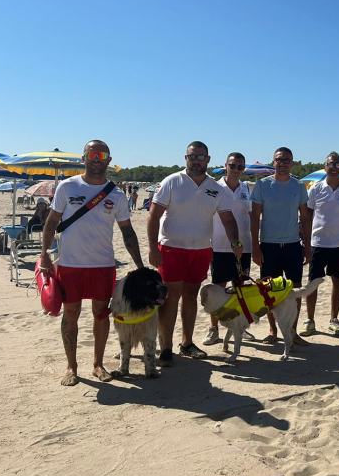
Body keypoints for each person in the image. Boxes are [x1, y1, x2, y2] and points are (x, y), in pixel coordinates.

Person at [39, 140, 145, 386]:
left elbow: (127, 232)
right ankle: (71, 366)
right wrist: (44, 253)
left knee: (100, 314)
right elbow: (52, 222)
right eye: (92, 153)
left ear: (109, 160)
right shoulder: (67, 187)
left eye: (102, 154)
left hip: (102, 265)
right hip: (70, 265)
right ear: (84, 157)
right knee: (71, 314)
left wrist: (139, 264)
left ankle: (97, 364)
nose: (97, 158)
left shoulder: (117, 195)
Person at [148, 141, 242, 365]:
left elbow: (228, 219)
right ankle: (166, 347)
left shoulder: (215, 188)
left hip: (200, 250)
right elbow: (153, 216)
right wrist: (152, 247)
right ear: (185, 158)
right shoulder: (172, 181)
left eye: (201, 157)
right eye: (192, 157)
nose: (197, 161)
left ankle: (187, 342)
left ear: (208, 160)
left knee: (191, 296)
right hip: (171, 248)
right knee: (171, 298)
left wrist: (235, 241)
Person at [251, 146, 311, 345]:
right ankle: (273, 330)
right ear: (273, 162)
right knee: (269, 291)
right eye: (279, 160)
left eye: (286, 160)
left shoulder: (299, 186)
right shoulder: (262, 185)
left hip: (293, 245)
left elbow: (305, 218)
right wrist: (255, 247)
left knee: (294, 291)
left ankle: (292, 331)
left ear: (292, 163)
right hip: (269, 245)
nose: (283, 163)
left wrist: (308, 246)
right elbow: (255, 218)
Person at [301, 151, 339, 337]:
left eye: (338, 165)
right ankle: (310, 320)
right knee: (313, 283)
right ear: (325, 167)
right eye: (331, 164)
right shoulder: (315, 188)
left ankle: (334, 319)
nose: (334, 168)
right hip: (318, 243)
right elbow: (307, 215)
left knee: (338, 281)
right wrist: (307, 241)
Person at [202, 152, 256, 346]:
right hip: (219, 246)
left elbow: (250, 216)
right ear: (225, 166)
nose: (236, 170)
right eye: (233, 166)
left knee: (241, 289)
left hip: (244, 246)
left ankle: (239, 327)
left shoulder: (247, 188)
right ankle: (213, 329)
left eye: (240, 167)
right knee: (218, 290)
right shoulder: (215, 187)